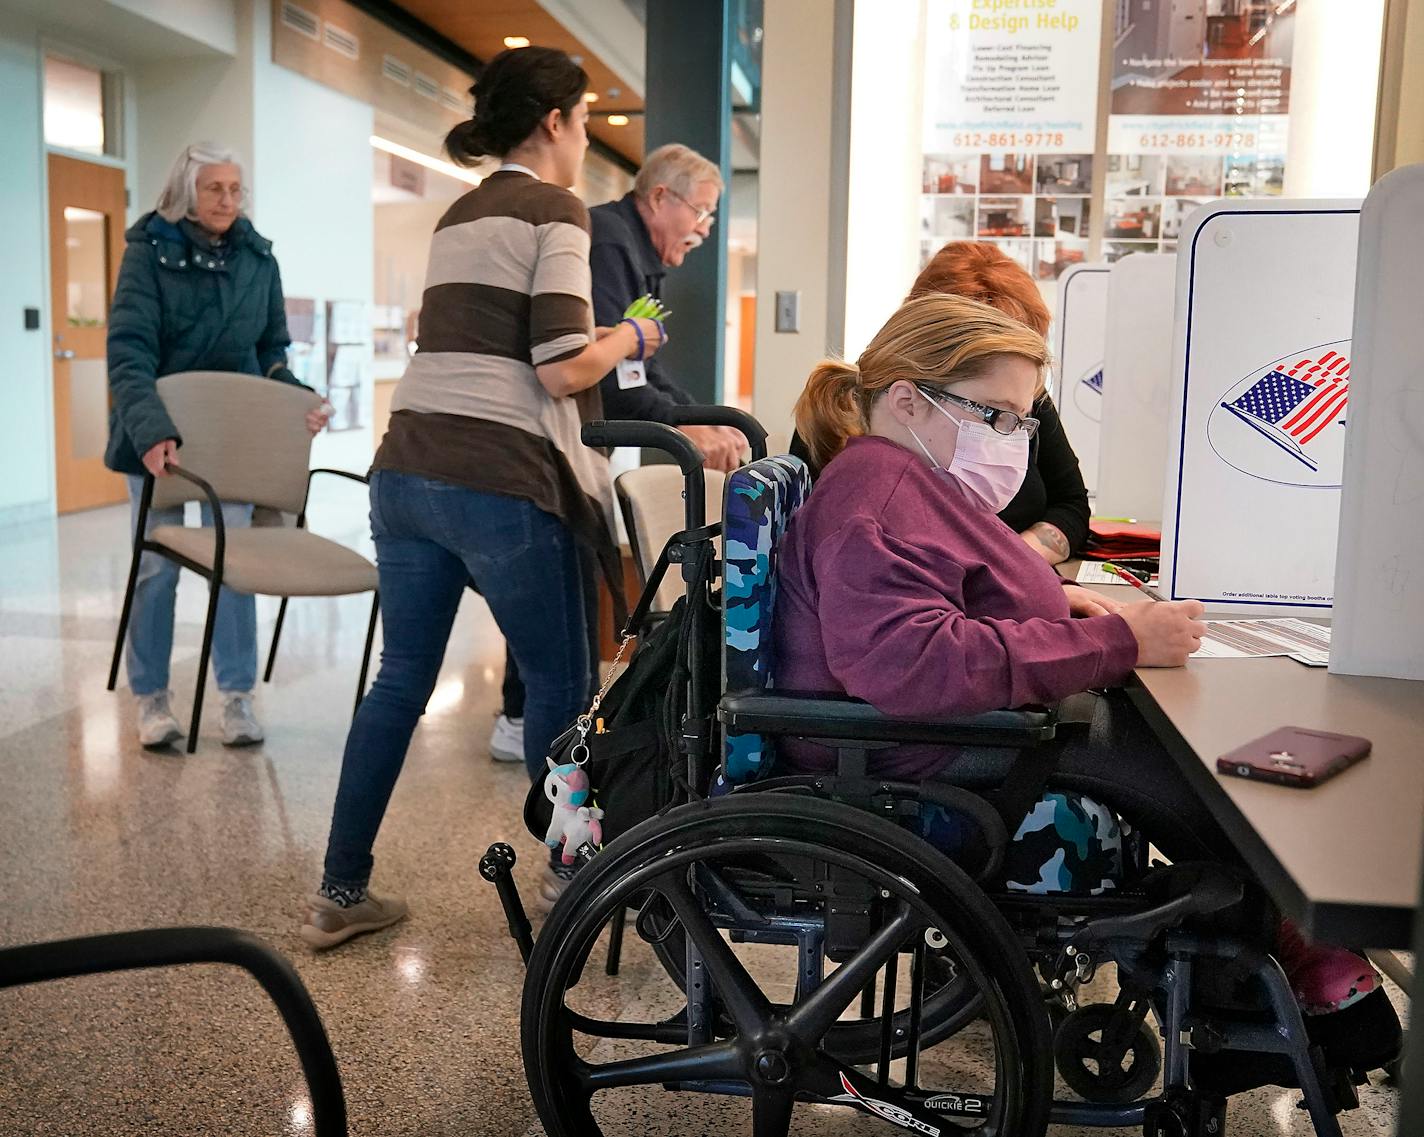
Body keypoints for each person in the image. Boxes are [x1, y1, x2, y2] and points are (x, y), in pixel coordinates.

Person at [776, 291, 1399, 1074]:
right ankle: (1258, 985)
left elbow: (939, 596)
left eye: (1023, 421)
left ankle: (1263, 966)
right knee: (1189, 771)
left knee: (1176, 760)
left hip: (931, 739)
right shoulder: (881, 494)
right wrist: (1116, 640)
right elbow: (909, 662)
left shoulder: (899, 478)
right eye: (997, 416)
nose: (1015, 440)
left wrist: (1044, 604)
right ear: (906, 399)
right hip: (910, 762)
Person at [301, 46, 664, 950]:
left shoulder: (459, 212)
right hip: (498, 479)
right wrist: (631, 332)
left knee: (399, 680)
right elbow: (557, 361)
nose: (586, 138)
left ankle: (339, 892)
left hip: (407, 467)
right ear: (554, 123)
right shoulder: (557, 208)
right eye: (584, 120)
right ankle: (564, 883)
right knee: (563, 681)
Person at [488, 143, 741, 766]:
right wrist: (686, 427)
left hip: (565, 442)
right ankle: (522, 720)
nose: (705, 229)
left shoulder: (632, 254)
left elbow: (637, 374)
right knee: (565, 590)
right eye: (701, 213)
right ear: (661, 197)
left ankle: (527, 715)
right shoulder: (606, 246)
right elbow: (604, 375)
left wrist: (696, 418)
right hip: (544, 444)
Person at [106, 142, 328, 750]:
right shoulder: (148, 253)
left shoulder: (259, 259)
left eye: (235, 189)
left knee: (234, 569)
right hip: (159, 438)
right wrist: (151, 432)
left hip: (233, 442)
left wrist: (297, 400)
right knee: (155, 568)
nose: (227, 200)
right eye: (214, 189)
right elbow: (129, 351)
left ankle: (237, 698)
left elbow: (270, 354)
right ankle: (151, 699)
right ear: (187, 191)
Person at [790, 241, 1090, 567]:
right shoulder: (864, 498)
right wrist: (1004, 573)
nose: (1016, 374)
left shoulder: (1023, 404)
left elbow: (1070, 503)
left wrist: (1015, 566)